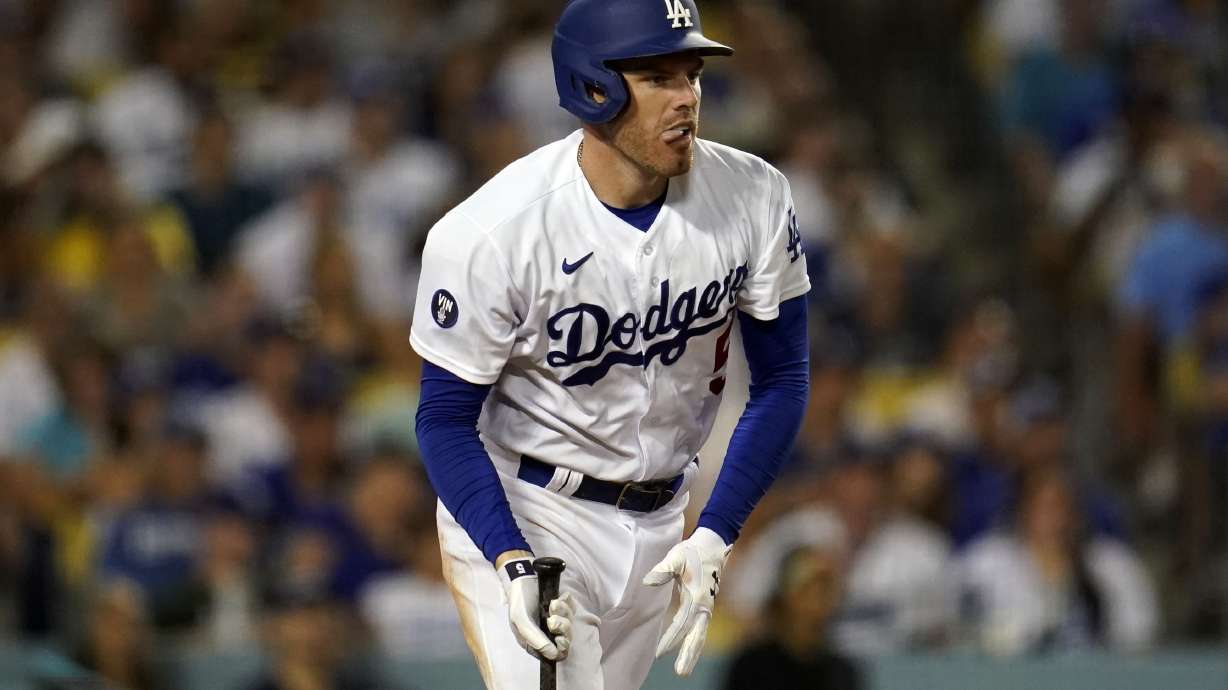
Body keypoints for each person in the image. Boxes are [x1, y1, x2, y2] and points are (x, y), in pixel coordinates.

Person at [411, 1, 810, 688]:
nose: (687, 99)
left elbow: (783, 381)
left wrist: (715, 533)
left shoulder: (753, 195)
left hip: (662, 521)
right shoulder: (492, 233)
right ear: (590, 86)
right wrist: (509, 556)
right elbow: (444, 419)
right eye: (658, 77)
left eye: (692, 75)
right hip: (532, 509)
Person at [722, 546, 861, 690]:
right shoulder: (751, 665)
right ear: (784, 596)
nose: (817, 603)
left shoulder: (842, 672)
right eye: (807, 590)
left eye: (825, 590)